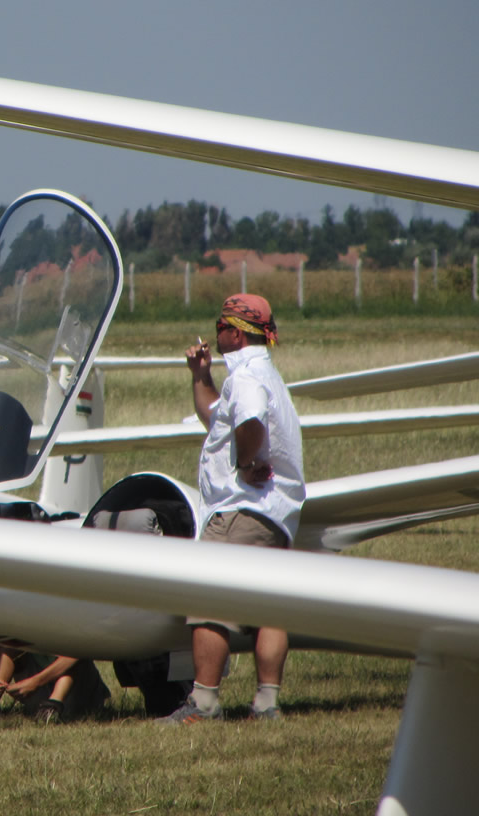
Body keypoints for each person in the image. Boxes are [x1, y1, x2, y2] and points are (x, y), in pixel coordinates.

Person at [159, 293, 305, 724]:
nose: (216, 331)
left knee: (209, 601)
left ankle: (203, 703)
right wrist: (200, 375)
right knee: (268, 609)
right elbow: (216, 417)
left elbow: (251, 421)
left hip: (240, 508)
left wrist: (246, 461)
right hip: (274, 513)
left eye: (220, 325)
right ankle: (266, 703)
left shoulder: (245, 378)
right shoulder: (262, 373)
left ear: (236, 334)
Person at [0, 643, 109, 725]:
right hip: (37, 693)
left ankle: (51, 709)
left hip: (80, 696)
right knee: (8, 649)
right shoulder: (19, 626)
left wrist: (35, 682)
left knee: (73, 657)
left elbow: (78, 652)